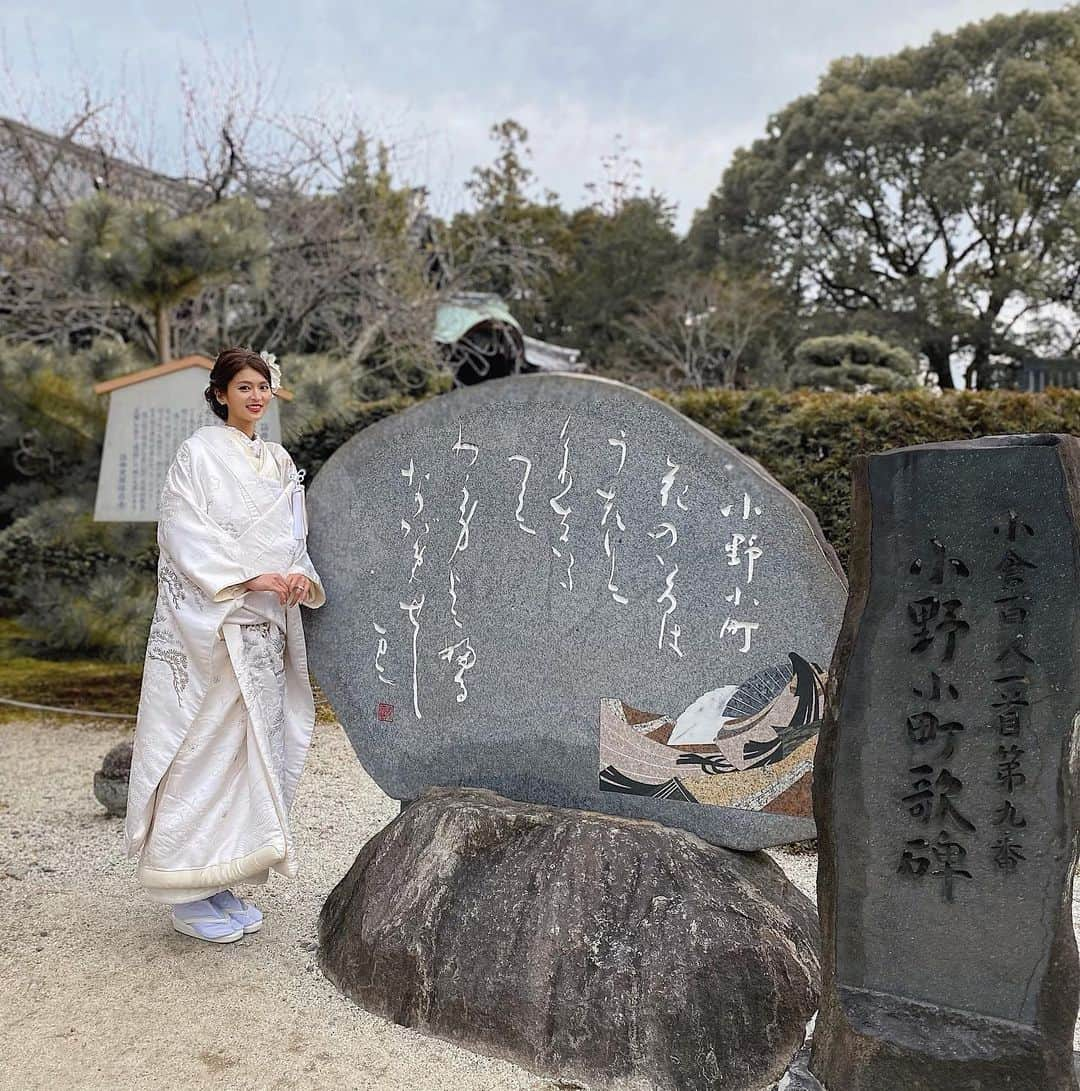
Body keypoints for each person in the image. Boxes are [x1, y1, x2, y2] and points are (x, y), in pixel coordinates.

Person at [124, 347, 326, 943]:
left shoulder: (279, 459)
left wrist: (294, 575)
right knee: (202, 750)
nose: (255, 397)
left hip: (264, 626)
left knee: (250, 753)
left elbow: (294, 536)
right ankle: (185, 889)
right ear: (220, 394)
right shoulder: (198, 453)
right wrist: (252, 578)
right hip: (219, 624)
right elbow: (184, 532)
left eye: (262, 387)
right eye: (243, 387)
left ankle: (222, 877)